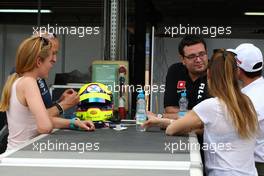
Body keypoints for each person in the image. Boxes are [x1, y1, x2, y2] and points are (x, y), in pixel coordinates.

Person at [144, 49, 259, 176]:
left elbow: (172, 129)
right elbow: (214, 128)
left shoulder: (211, 106)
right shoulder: (247, 103)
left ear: (208, 74)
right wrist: (160, 120)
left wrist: (161, 120)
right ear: (236, 73)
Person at [0, 36, 95, 150]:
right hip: (23, 154)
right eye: (50, 61)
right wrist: (63, 109)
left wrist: (74, 123)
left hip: (17, 153)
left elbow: (34, 121)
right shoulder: (29, 83)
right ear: (39, 62)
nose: (52, 64)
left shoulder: (19, 81)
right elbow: (45, 126)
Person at [229, 43, 264, 176]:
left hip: (256, 164)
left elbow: (230, 129)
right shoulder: (257, 90)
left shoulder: (247, 98)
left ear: (239, 69)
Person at [163, 35, 209, 119]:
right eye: (192, 56)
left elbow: (213, 114)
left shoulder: (217, 71)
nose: (198, 60)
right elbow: (169, 109)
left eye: (202, 54)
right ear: (183, 59)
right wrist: (199, 115)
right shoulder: (175, 70)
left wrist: (168, 116)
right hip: (180, 128)